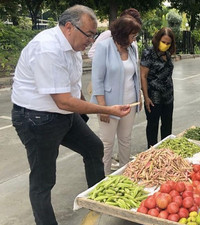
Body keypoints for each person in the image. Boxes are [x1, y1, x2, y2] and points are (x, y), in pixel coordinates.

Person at [11, 5, 131, 225]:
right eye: (89, 35)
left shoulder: (74, 48)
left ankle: (98, 203)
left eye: (94, 36)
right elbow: (64, 101)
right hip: (37, 119)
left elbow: (73, 89)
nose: (91, 41)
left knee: (93, 147)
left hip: (63, 114)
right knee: (43, 180)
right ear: (68, 27)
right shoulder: (47, 48)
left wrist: (88, 111)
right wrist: (106, 110)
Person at [90, 16, 142, 175]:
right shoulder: (104, 47)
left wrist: (138, 96)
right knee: (107, 143)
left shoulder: (132, 48)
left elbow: (135, 74)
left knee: (125, 140)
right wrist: (103, 108)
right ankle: (103, 178)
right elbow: (97, 80)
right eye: (132, 35)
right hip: (109, 104)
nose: (134, 39)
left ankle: (125, 174)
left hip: (130, 103)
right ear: (123, 33)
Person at [140, 27, 176, 148]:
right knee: (153, 125)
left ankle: (166, 152)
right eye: (163, 42)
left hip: (168, 97)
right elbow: (143, 76)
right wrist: (146, 97)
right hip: (153, 97)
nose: (165, 45)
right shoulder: (148, 53)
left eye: (168, 43)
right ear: (158, 39)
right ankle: (152, 153)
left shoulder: (168, 54)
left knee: (167, 125)